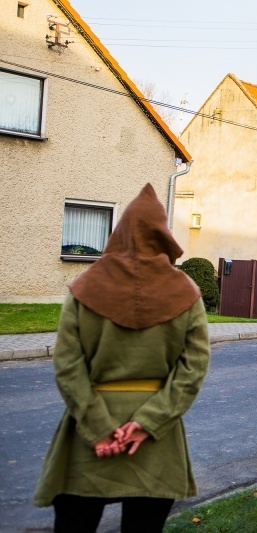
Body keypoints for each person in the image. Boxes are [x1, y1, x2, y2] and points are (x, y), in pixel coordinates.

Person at [33, 183, 211, 532]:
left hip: (89, 436)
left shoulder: (83, 289)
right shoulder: (187, 293)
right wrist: (147, 424)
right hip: (156, 444)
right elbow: (193, 369)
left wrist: (98, 429)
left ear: (119, 233)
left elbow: (68, 366)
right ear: (162, 235)